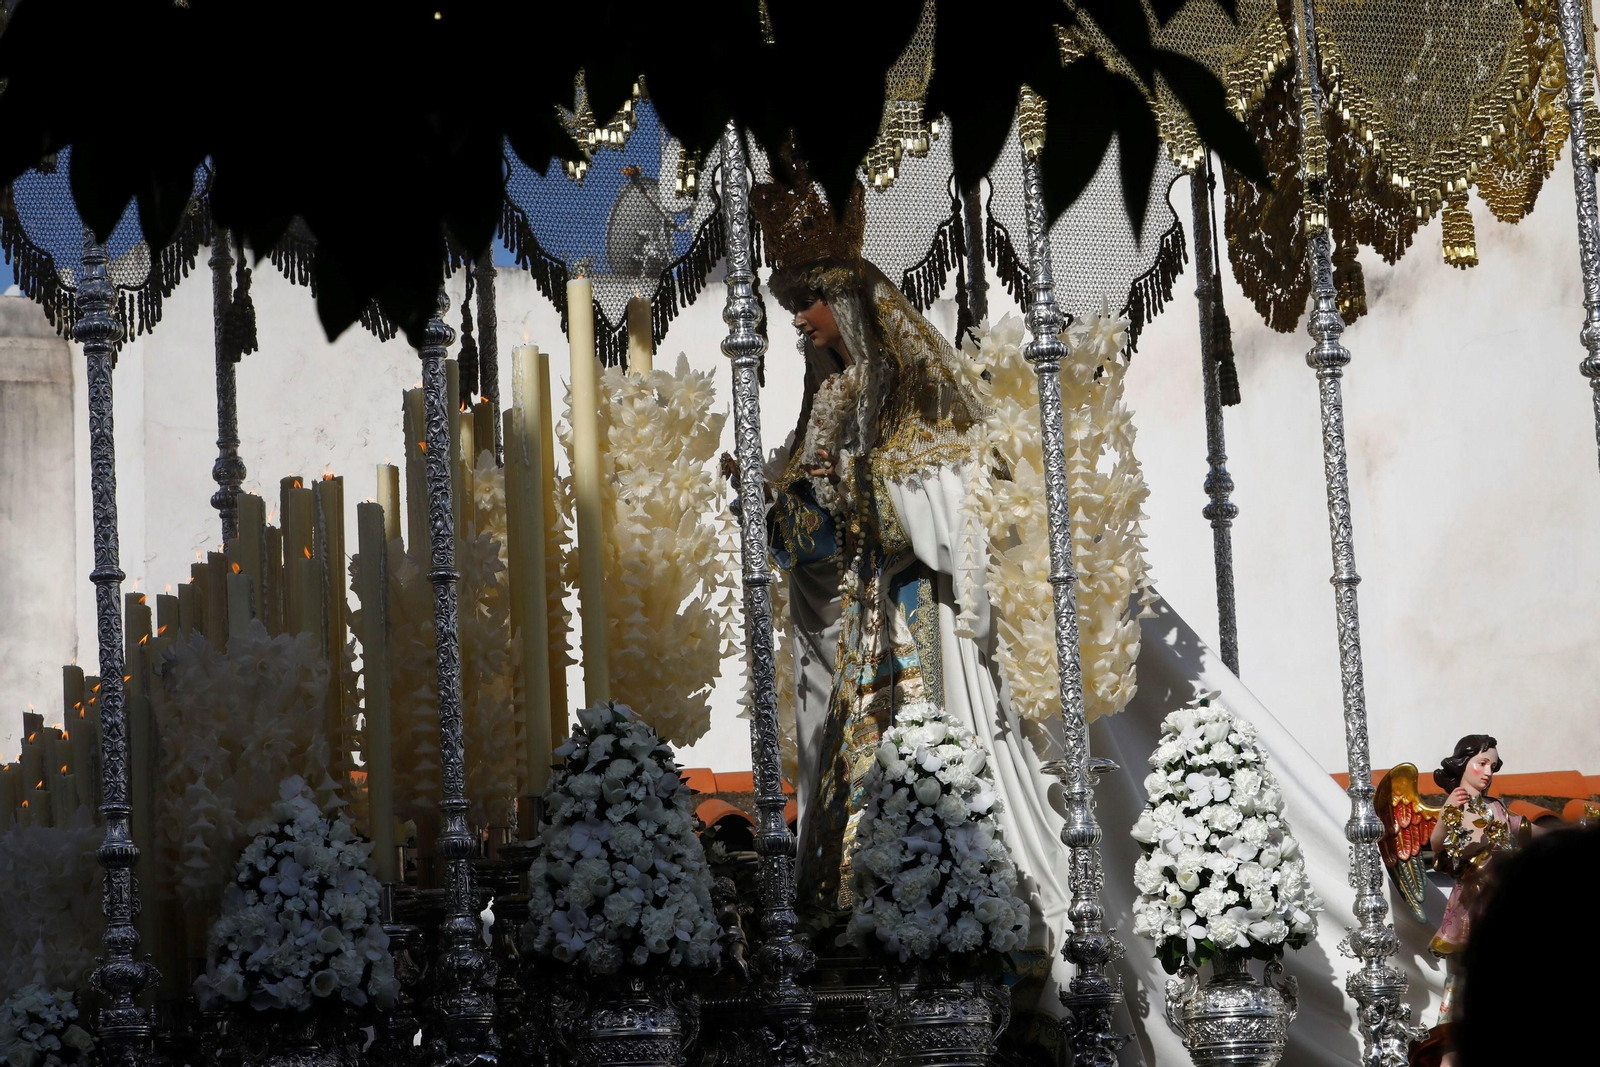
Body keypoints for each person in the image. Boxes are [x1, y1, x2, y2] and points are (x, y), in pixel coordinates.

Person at [749, 151, 1073, 975]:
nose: (798, 321)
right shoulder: (826, 399)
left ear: (850, 299)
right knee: (853, 775)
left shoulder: (913, 396)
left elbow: (954, 499)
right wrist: (782, 506)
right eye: (790, 305)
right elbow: (817, 547)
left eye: (808, 300)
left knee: (942, 771)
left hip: (922, 621)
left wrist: (861, 485)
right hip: (863, 623)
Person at [1421, 735, 1522, 1067]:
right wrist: (1445, 815)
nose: (1487, 772)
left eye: (1492, 766)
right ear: (1462, 764)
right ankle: (1450, 1058)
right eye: (1481, 763)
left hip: (1500, 902)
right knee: (1463, 986)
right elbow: (1440, 851)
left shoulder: (1496, 807)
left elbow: (1519, 838)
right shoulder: (1455, 804)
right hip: (1470, 907)